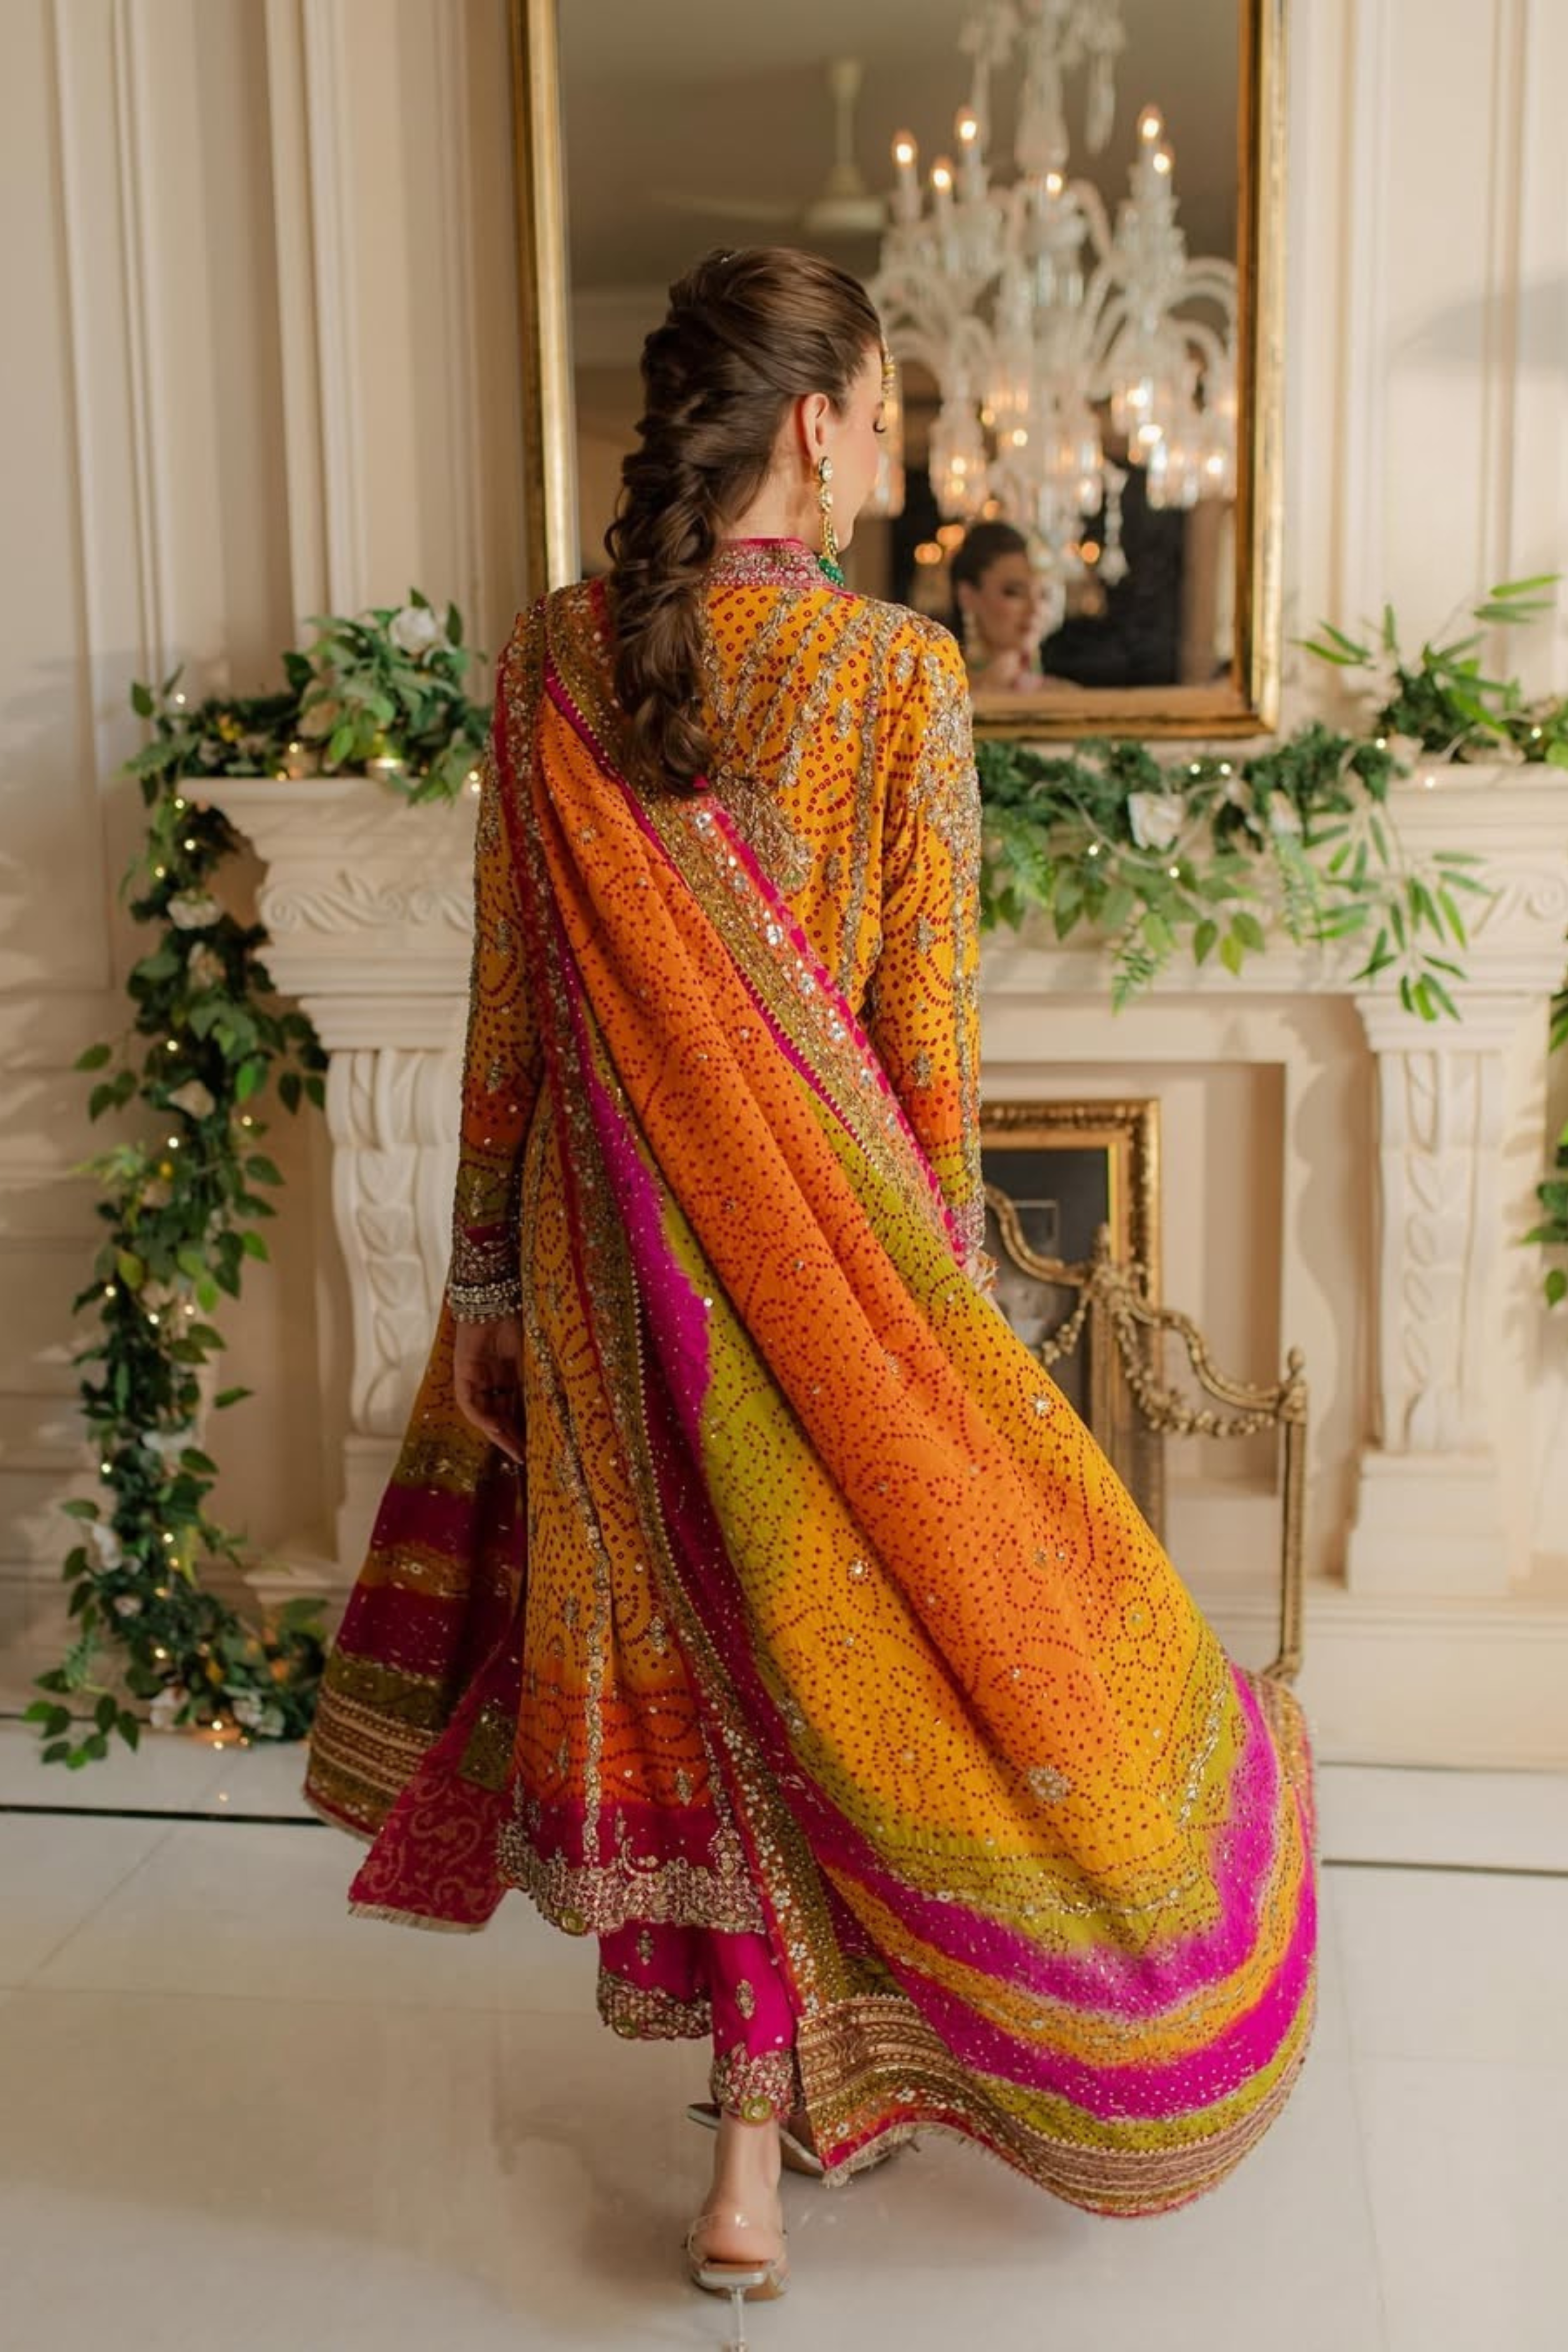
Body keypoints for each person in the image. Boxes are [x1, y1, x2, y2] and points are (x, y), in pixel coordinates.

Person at [303, 246, 1318, 2314]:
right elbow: (927, 1039)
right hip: (825, 1270)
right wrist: (933, 1304)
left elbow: (510, 1014)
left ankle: (754, 2137)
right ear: (816, 421)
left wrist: (484, 1278)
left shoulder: (546, 662)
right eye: (879, 403)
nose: (887, 442)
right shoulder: (895, 675)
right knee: (835, 1648)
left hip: (605, 1259)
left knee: (710, 1651)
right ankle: (782, 2133)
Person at [948, 518, 1056, 692]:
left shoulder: (1064, 699)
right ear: (967, 597)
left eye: (1044, 595)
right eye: (1014, 592)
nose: (1035, 610)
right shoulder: (933, 696)